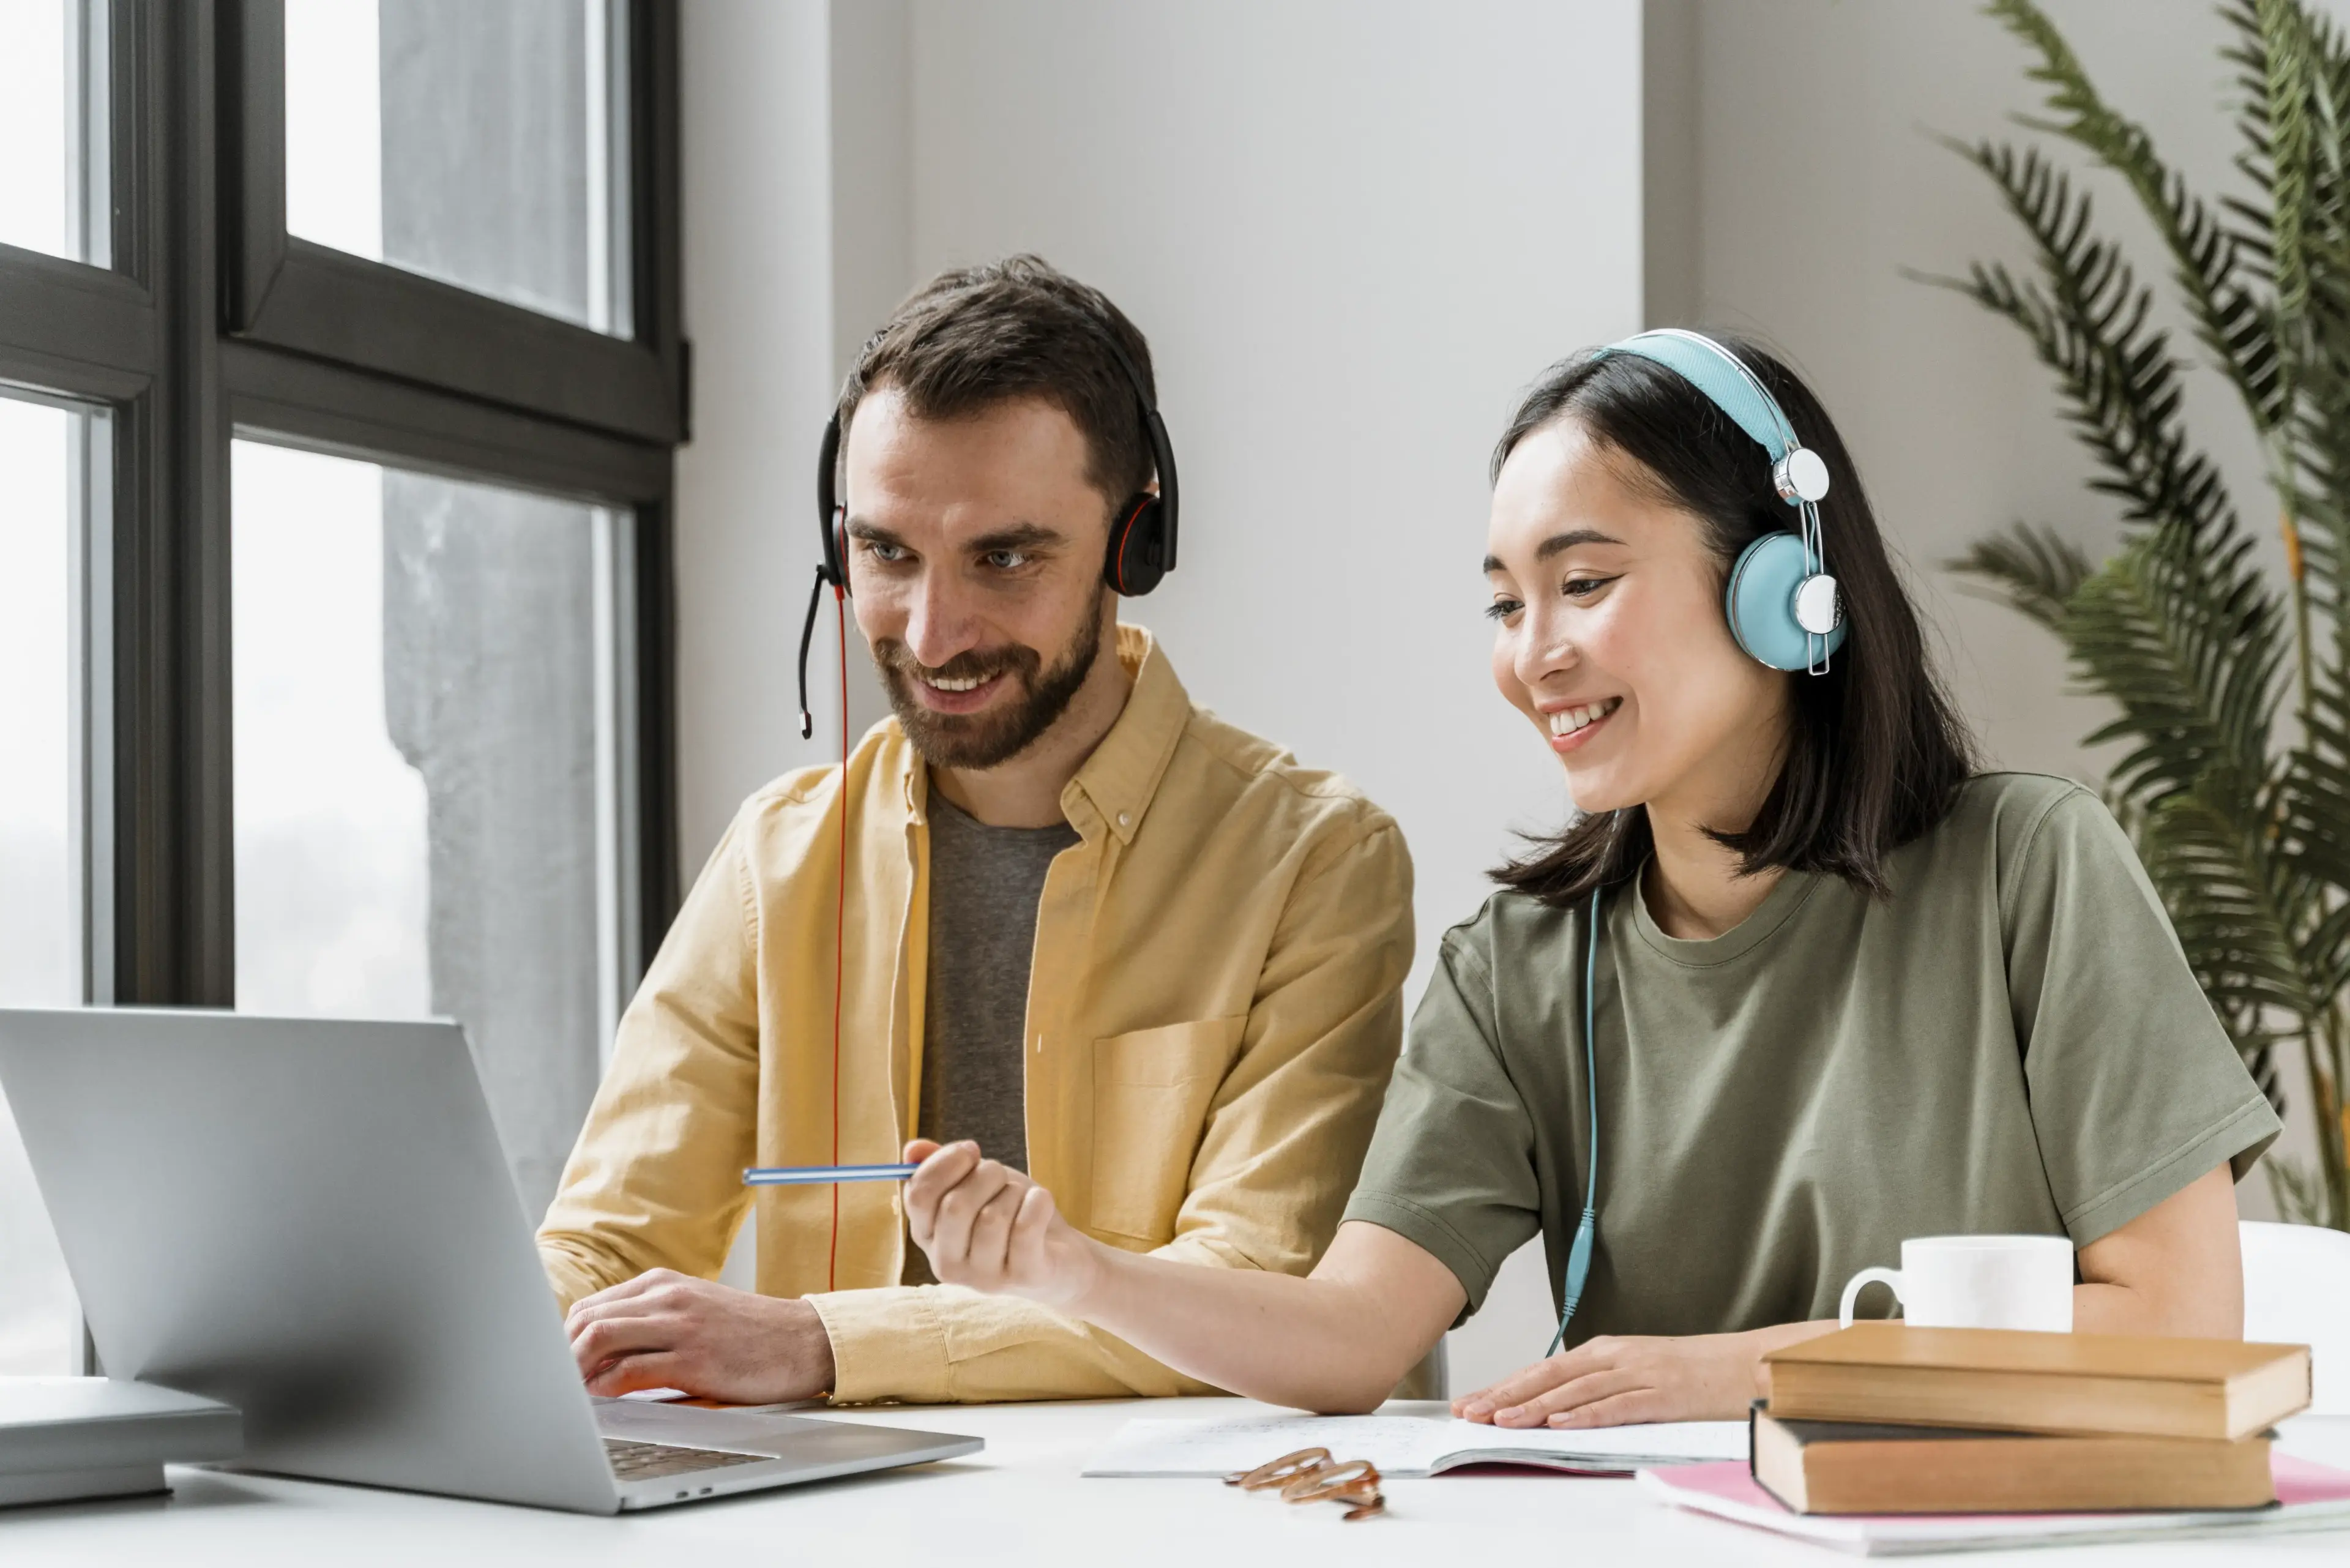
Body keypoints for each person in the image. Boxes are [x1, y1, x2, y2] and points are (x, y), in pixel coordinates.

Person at [893, 329, 2283, 1427]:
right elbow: (1352, 1339)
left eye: (1585, 582)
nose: (1533, 652)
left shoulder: (2029, 871)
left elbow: (2177, 1319)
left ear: (1780, 586)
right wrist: (1074, 1273)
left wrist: (1745, 1367)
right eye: (1506, 602)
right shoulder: (1517, 967)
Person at [540, 256, 1413, 1406]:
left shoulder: (1316, 859)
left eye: (1004, 557)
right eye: (887, 553)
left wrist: (822, 1343)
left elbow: (1252, 1291)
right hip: (837, 1517)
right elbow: (609, 1245)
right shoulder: (781, 857)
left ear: (1131, 543)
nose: (933, 631)